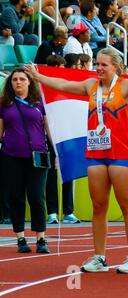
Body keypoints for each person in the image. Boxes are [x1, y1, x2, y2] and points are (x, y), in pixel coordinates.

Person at [24, 48, 128, 273]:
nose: (98, 68)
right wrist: (39, 77)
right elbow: (63, 85)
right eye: (96, 64)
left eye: (103, 65)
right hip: (96, 153)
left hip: (121, 153)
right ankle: (99, 257)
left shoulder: (127, 86)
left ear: (115, 67)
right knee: (99, 206)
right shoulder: (90, 85)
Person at [0, 67, 52, 254]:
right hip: (11, 157)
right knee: (16, 198)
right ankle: (20, 238)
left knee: (37, 197)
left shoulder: (39, 103)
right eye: (14, 80)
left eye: (22, 79)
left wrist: (57, 153)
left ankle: (41, 238)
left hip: (37, 157)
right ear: (10, 83)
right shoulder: (4, 104)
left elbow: (48, 129)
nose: (18, 82)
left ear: (30, 82)